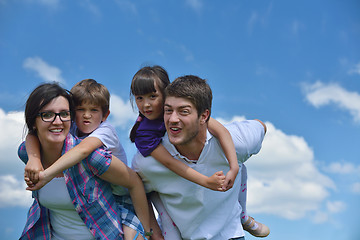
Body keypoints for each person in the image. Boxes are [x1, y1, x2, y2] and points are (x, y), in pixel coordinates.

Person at [132, 75, 270, 239]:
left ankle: (244, 218)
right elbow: (136, 191)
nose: (173, 119)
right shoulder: (147, 162)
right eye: (168, 110)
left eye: (184, 112)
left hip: (230, 235)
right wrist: (154, 234)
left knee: (241, 168)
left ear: (204, 116)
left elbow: (260, 126)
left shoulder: (238, 142)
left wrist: (234, 166)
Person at [19, 83, 152, 240]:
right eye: (47, 115)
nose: (57, 121)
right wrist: (34, 159)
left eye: (63, 114)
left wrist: (147, 232)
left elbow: (133, 182)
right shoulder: (28, 153)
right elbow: (31, 137)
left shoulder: (94, 156)